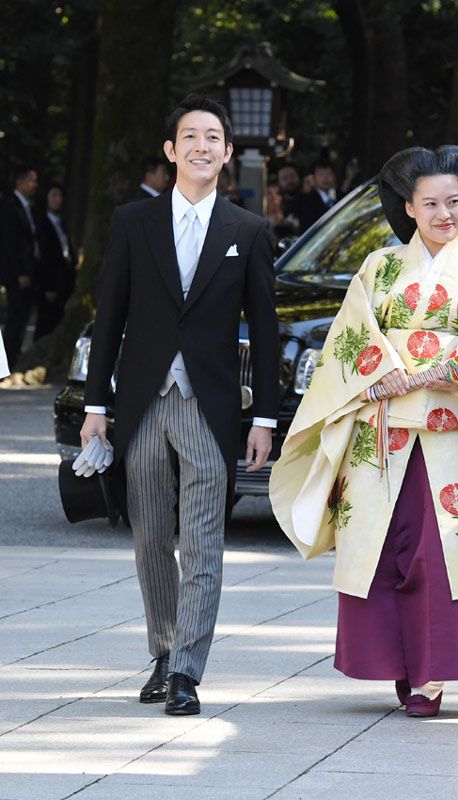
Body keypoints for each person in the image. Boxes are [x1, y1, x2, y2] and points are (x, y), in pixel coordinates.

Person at [270, 145, 458, 717]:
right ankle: (396, 666)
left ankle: (432, 674)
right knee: (387, 550)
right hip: (384, 437)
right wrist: (390, 375)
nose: (443, 214)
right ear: (408, 207)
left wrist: (446, 369)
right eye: (430, 203)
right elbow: (350, 341)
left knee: (440, 554)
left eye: (453, 202)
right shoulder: (378, 268)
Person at [80, 93, 280, 716]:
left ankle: (189, 670)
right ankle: (163, 652)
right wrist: (96, 405)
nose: (201, 146)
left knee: (202, 540)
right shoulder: (132, 223)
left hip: (211, 408)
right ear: (171, 151)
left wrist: (265, 418)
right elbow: (109, 318)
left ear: (226, 152)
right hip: (142, 403)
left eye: (213, 137)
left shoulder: (247, 230)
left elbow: (266, 332)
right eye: (189, 136)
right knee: (148, 537)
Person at [0, 166, 40, 371]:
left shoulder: (27, 207)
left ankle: (13, 358)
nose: (34, 185)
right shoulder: (10, 208)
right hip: (17, 274)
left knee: (21, 318)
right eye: (31, 180)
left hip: (27, 272)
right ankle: (6, 362)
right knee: (15, 318)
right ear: (20, 181)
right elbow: (9, 244)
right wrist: (20, 273)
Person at [34, 183, 77, 340]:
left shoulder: (61, 223)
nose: (57, 200)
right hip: (50, 281)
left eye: (60, 196)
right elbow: (44, 257)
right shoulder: (42, 224)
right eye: (53, 196)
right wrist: (48, 286)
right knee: (45, 319)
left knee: (57, 319)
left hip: (64, 279)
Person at [284, 161, 337, 234]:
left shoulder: (340, 195)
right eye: (320, 175)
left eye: (328, 174)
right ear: (313, 178)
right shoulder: (306, 199)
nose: (325, 178)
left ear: (334, 176)